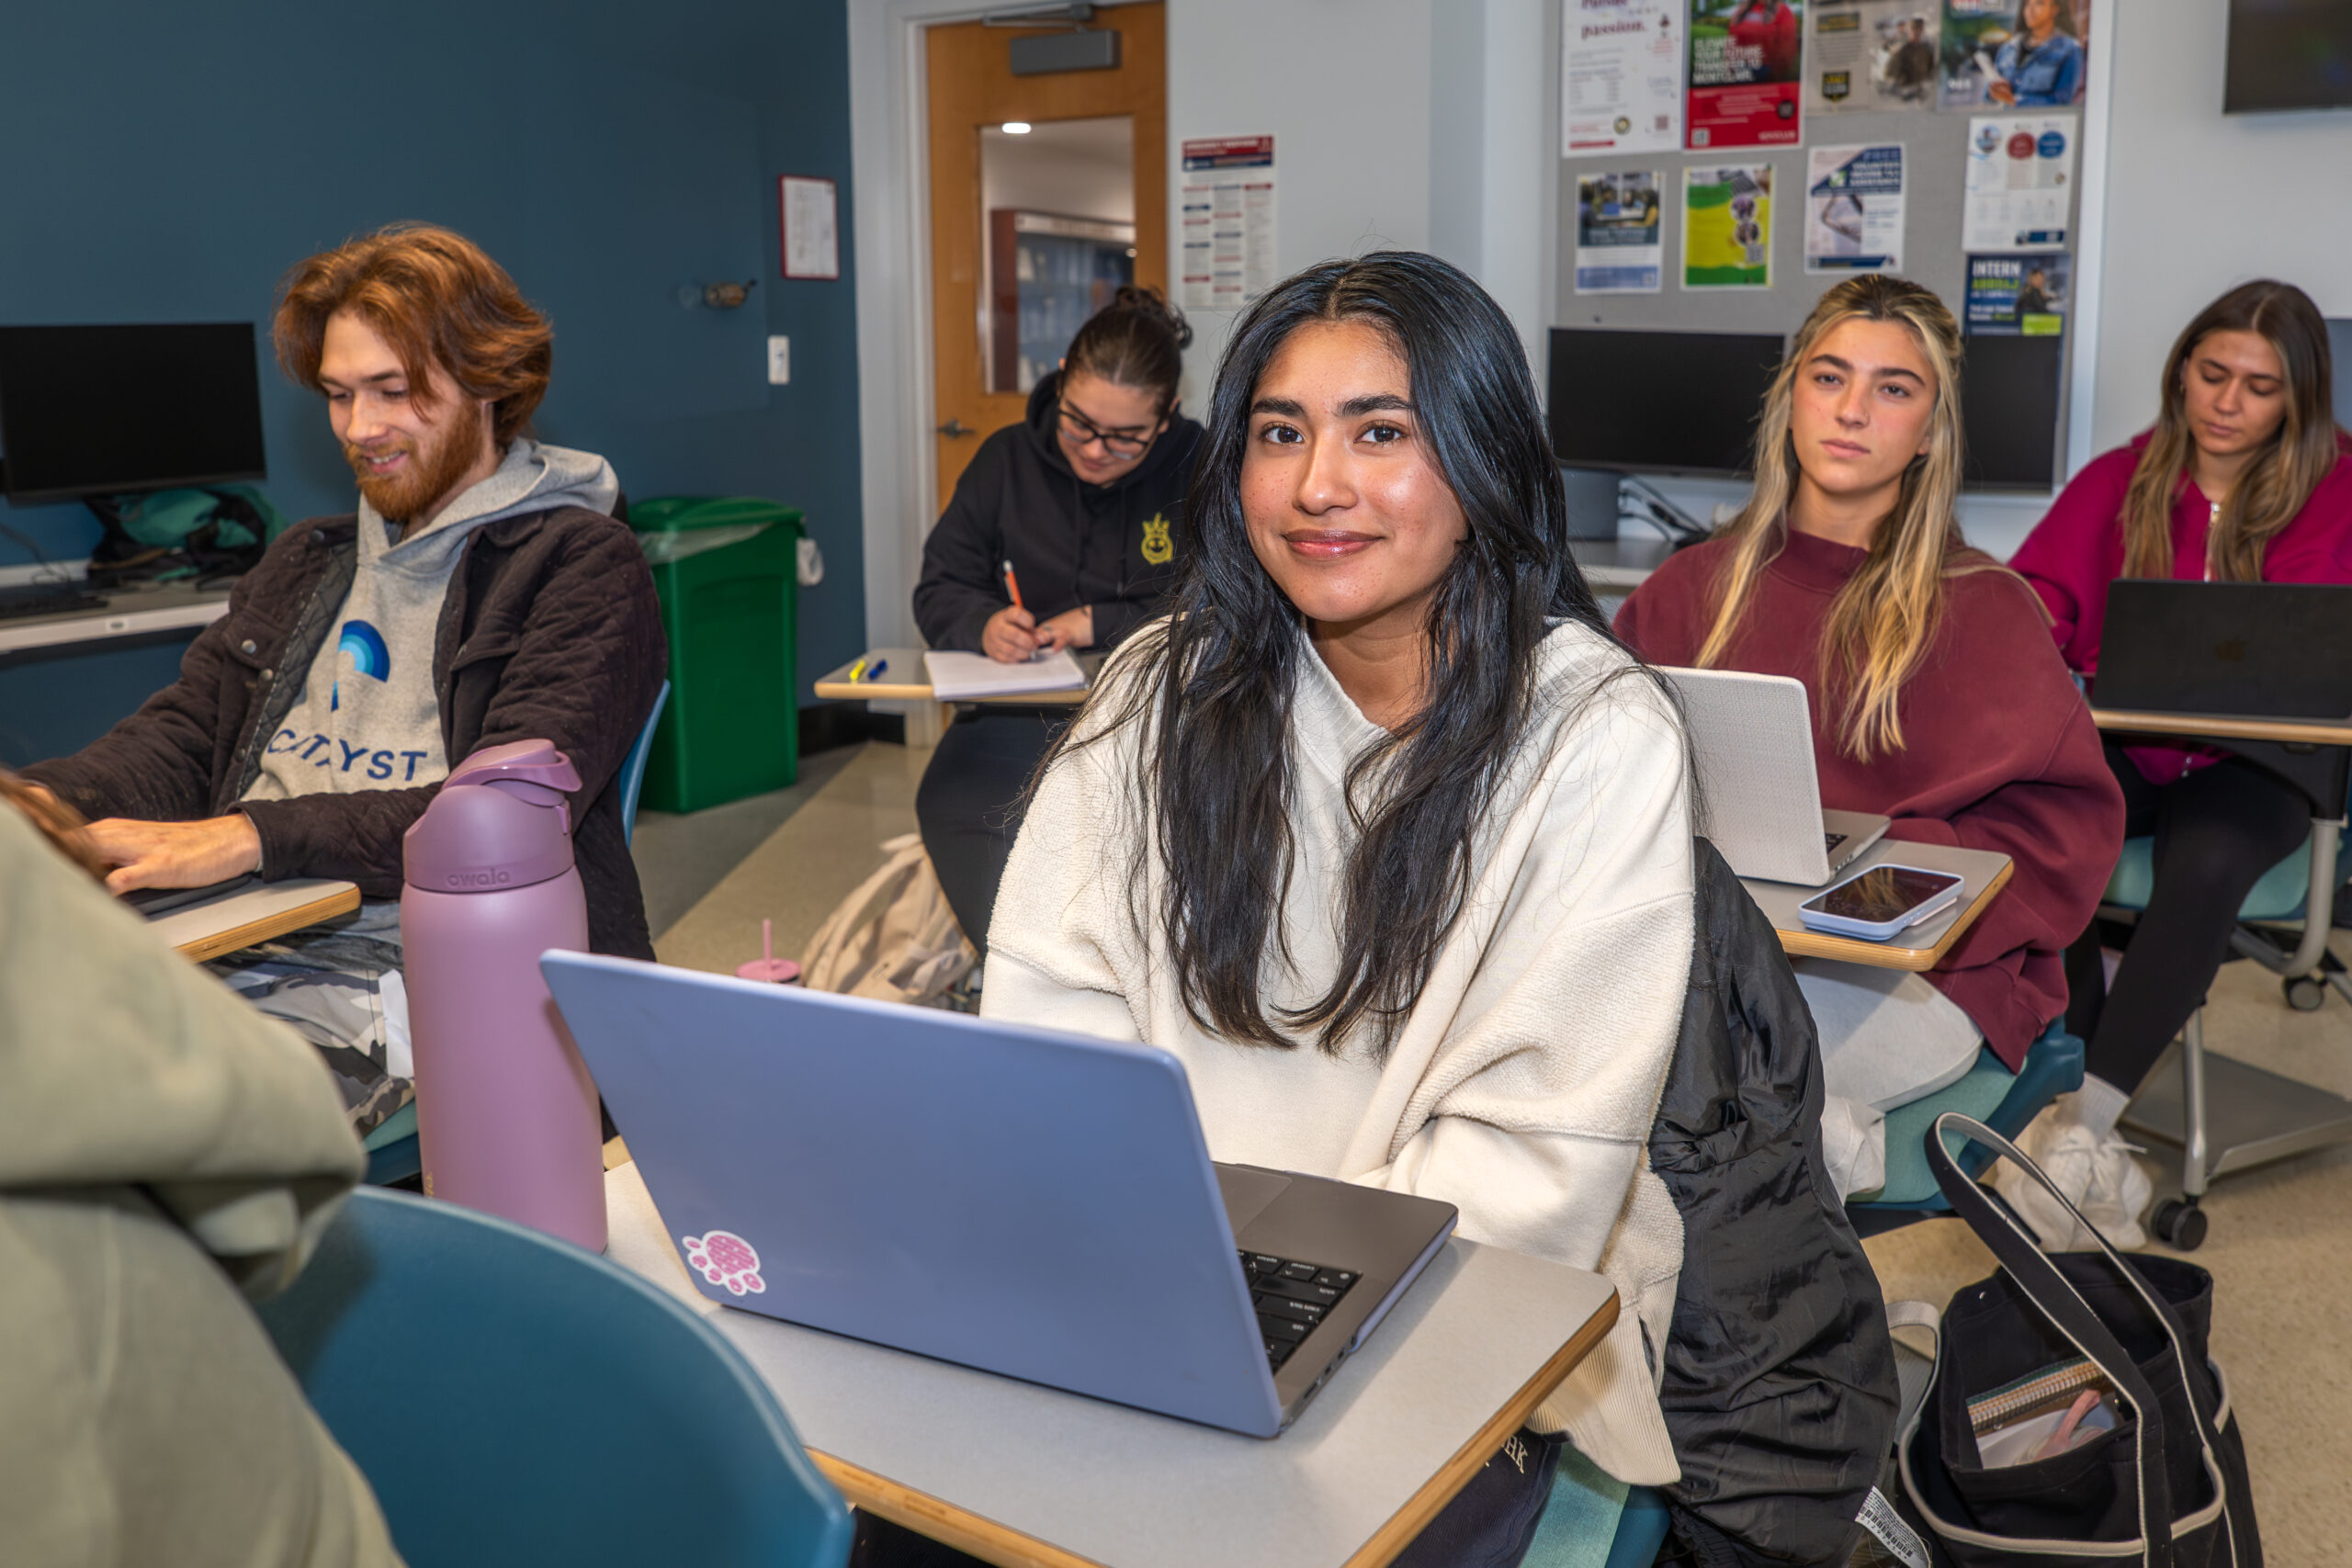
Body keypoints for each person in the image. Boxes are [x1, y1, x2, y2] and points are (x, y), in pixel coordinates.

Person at [983, 252, 1695, 1549]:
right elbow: (1049, 1009)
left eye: (1381, 432)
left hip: (1447, 1318)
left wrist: (1251, 1292)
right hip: (1146, 1277)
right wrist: (1151, 1259)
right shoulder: (1157, 687)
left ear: (1484, 464)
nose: (1318, 485)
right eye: (1278, 432)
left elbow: (1539, 1168)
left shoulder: (1595, 734)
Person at [18, 223, 666, 1136]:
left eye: (394, 392)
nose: (361, 429)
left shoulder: (579, 563)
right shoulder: (306, 560)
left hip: (417, 973)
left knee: (105, 1132)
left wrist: (249, 837)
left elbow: (500, 818)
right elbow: (183, 737)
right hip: (228, 931)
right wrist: (39, 810)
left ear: (491, 381)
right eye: (338, 395)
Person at [1615, 275, 2123, 1207]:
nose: (1851, 411)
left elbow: (2068, 836)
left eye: (1892, 389)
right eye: (1828, 378)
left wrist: (1887, 883)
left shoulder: (1986, 608)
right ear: (1789, 398)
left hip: (1917, 972)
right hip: (1717, 940)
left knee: (1717, 1099)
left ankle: (1813, 1241)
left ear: (1928, 431)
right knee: (1609, 1072)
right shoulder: (1688, 588)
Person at [2010, 279, 2352, 1224]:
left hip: (2266, 760)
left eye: (2258, 386)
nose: (2227, 403)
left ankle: (2087, 1124)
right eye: (2211, 375)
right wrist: (2026, 627)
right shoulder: (2121, 477)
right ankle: (2057, 1090)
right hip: (2136, 742)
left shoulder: (2341, 488)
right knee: (2046, 821)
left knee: (2203, 860)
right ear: (2182, 372)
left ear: (2298, 398)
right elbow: (2038, 594)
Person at [0, 772, 402, 1566]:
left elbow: (515, 802)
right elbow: (176, 735)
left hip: (383, 945)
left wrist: (255, 833)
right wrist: (62, 821)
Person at [910, 286, 1204, 950]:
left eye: (1125, 437)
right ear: (1061, 387)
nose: (1096, 450)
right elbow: (939, 586)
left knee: (1142, 831)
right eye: (1080, 424)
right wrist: (984, 622)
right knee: (954, 802)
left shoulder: (1199, 467)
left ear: (1167, 418)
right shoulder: (1005, 460)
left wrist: (1097, 622)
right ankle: (1018, 976)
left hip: (1154, 713)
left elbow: (1223, 600)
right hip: (1018, 714)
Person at [1988, 0, 2085, 107]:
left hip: (2042, 122)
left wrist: (2014, 101)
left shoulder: (2070, 50)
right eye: (2027, 4)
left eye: (2039, 3)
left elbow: (2061, 101)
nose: (2031, 10)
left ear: (2055, 9)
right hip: (2004, 121)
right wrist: (1994, 90)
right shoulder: (2009, 48)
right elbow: (1987, 96)